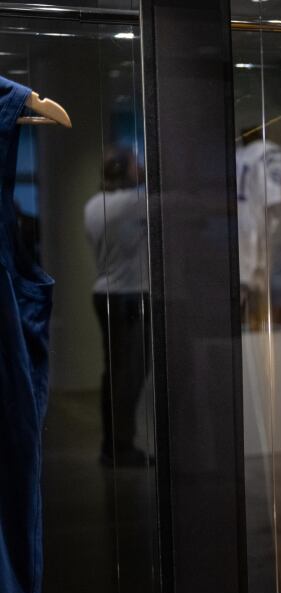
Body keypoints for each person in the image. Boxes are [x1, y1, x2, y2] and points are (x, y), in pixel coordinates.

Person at [83, 146, 152, 466]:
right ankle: (120, 448)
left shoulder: (94, 205)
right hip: (127, 296)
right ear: (123, 171)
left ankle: (113, 445)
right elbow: (182, 204)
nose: (140, 170)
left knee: (115, 374)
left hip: (107, 293)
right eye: (135, 166)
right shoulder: (130, 204)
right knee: (129, 375)